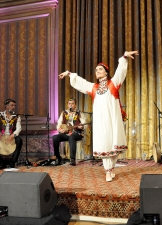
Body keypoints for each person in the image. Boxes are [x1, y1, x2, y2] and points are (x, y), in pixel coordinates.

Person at [59, 50, 139, 181]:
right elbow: (81, 82)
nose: (97, 71)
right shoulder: (94, 87)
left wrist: (124, 57)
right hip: (101, 121)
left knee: (114, 144)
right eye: (96, 70)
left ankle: (111, 167)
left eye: (100, 69)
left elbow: (120, 71)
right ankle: (107, 170)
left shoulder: (113, 83)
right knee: (104, 143)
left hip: (112, 119)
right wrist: (69, 74)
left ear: (106, 72)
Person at [0, 99, 22, 169]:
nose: (13, 107)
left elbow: (19, 128)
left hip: (11, 135)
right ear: (6, 106)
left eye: (14, 105)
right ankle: (0, 162)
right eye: (12, 105)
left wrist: (12, 135)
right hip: (1, 136)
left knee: (19, 141)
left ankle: (12, 163)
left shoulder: (16, 116)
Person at [52, 98, 86, 166]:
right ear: (67, 104)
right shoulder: (64, 113)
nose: (71, 105)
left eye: (72, 103)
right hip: (66, 133)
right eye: (69, 103)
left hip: (77, 133)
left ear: (75, 105)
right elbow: (59, 123)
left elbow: (84, 123)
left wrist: (81, 127)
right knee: (55, 137)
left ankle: (72, 159)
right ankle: (58, 158)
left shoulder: (79, 113)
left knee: (72, 137)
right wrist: (59, 129)